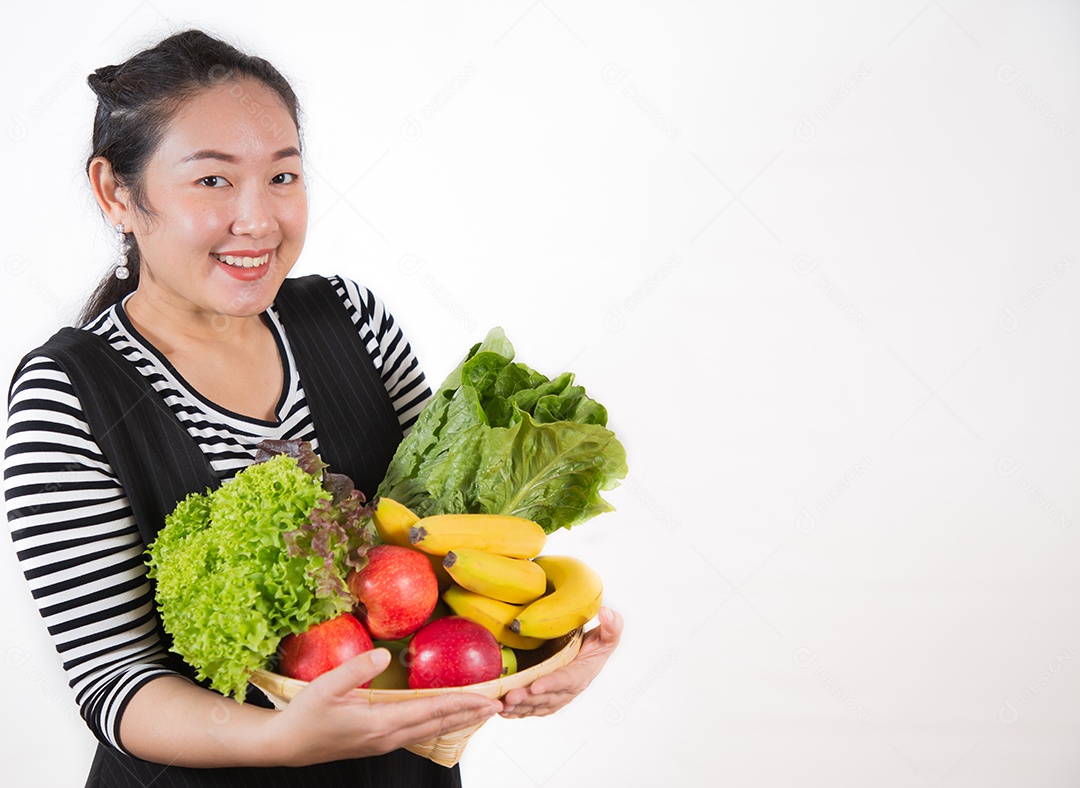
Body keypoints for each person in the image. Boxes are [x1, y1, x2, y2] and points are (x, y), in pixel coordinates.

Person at [4, 29, 623, 788]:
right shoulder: (68, 392)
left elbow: (443, 563)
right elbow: (115, 684)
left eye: (283, 176)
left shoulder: (353, 321)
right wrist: (279, 740)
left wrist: (536, 658)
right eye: (212, 180)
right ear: (116, 193)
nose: (258, 220)